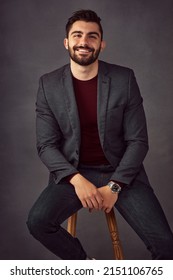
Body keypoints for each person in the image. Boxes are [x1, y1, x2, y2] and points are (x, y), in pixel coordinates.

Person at [27, 9, 173, 260]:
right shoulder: (47, 84)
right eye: (77, 35)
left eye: (92, 36)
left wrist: (114, 186)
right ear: (67, 42)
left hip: (123, 172)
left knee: (167, 247)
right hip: (74, 172)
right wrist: (77, 179)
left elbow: (138, 141)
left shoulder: (123, 79)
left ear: (101, 44)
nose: (84, 42)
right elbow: (46, 145)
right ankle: (88, 269)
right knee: (38, 222)